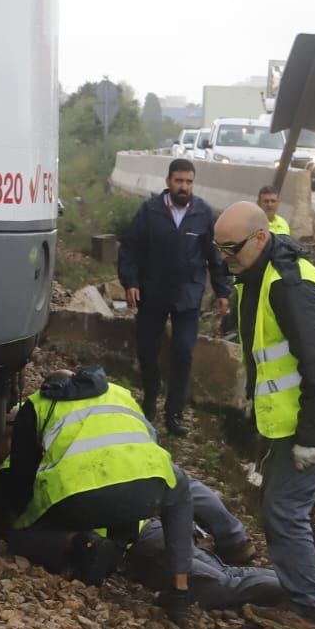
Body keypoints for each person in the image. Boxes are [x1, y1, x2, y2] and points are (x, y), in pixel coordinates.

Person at [212, 201, 315, 629]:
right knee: (284, 505)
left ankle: (308, 613)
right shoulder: (256, 274)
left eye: (232, 247)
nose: (225, 257)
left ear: (260, 238)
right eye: (218, 248)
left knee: (284, 508)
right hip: (301, 412)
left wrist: (309, 440)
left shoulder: (289, 286)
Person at [0, 366, 198, 620]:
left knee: (22, 537)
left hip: (80, 498)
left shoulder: (38, 404)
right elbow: (149, 439)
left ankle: (81, 543)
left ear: (47, 387)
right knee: (181, 491)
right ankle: (179, 591)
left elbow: (22, 477)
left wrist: (20, 524)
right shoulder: (120, 393)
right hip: (148, 487)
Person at [124, 476, 315, 629]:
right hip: (164, 529)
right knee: (230, 576)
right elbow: (187, 486)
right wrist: (232, 537)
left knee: (221, 586)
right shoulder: (129, 437)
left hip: (146, 541)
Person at [118, 160, 233, 436]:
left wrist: (222, 291)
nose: (184, 187)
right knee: (147, 350)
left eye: (189, 182)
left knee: (183, 352)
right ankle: (149, 399)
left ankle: (174, 413)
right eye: (180, 181)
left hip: (188, 294)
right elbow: (131, 248)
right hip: (153, 292)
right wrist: (131, 282)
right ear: (169, 181)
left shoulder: (203, 213)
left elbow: (214, 256)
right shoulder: (151, 211)